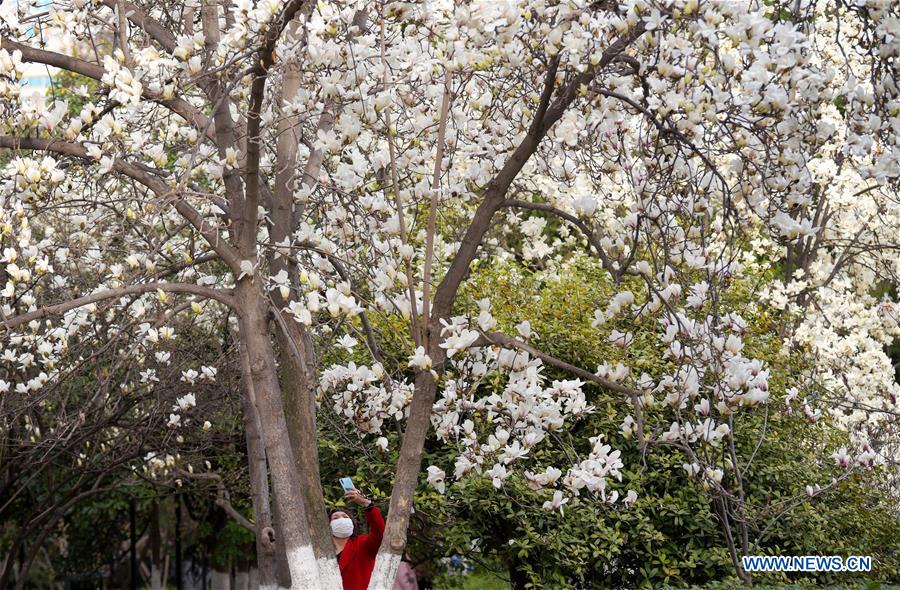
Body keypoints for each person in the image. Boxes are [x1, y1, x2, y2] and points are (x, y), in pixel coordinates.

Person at [331, 487, 384, 590]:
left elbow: (379, 532)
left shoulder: (363, 544)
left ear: (352, 523)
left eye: (345, 517)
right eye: (335, 518)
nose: (341, 520)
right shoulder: (320, 549)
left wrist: (366, 503)